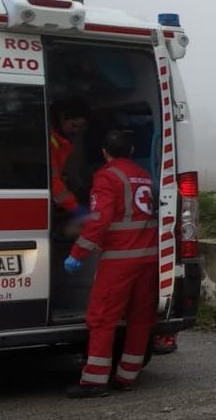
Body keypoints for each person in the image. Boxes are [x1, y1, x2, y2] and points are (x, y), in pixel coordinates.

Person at [64, 129, 159, 398]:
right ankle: (127, 376)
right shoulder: (143, 174)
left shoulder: (107, 176)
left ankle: (94, 381)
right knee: (141, 319)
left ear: (104, 153)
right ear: (130, 151)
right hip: (149, 258)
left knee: (102, 318)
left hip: (120, 261)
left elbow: (100, 220)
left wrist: (77, 254)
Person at [48, 98, 91, 216]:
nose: (76, 131)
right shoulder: (50, 143)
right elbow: (52, 181)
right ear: (62, 117)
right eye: (73, 125)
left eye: (79, 128)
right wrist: (74, 207)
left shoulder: (59, 142)